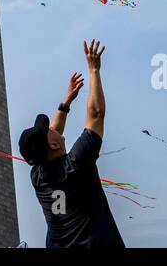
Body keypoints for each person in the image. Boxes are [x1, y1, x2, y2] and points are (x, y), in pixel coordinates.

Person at [18, 39, 125, 248]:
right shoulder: (76, 164)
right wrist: (94, 70)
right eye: (48, 131)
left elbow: (54, 134)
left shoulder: (38, 176)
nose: (53, 128)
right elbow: (96, 114)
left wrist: (66, 103)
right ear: (54, 145)